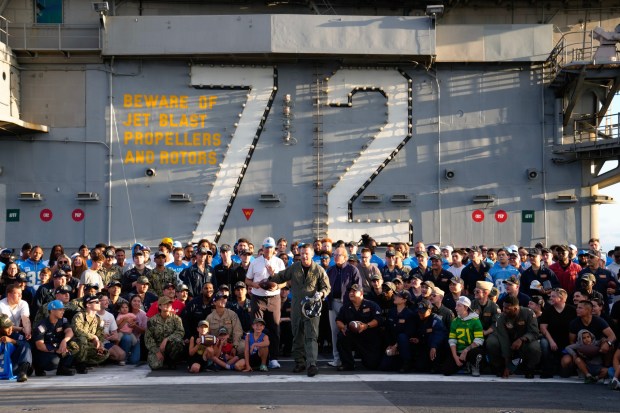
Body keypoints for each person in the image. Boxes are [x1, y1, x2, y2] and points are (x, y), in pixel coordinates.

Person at [269, 243, 331, 377]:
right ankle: (299, 362)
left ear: (312, 254)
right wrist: (271, 276)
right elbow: (281, 276)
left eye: (307, 253)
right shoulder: (294, 268)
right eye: (302, 253)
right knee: (297, 335)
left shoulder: (319, 270)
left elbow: (327, 287)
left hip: (312, 308)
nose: (304, 256)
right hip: (297, 307)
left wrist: (321, 294)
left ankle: (312, 364)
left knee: (311, 336)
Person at [245, 236, 286, 369]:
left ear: (275, 249)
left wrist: (277, 286)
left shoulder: (279, 262)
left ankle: (273, 358)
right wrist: (255, 285)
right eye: (266, 247)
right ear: (262, 248)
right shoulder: (255, 262)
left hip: (274, 298)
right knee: (256, 327)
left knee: (274, 328)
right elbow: (247, 280)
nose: (268, 250)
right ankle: (255, 357)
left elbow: (285, 282)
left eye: (271, 248)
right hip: (258, 297)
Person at [486, 295, 541, 379]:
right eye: (503, 307)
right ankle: (500, 367)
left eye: (507, 308)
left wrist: (522, 339)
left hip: (524, 341)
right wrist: (507, 364)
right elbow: (504, 340)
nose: (503, 310)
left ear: (515, 309)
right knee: (491, 342)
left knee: (534, 347)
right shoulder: (501, 317)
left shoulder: (528, 313)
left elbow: (534, 332)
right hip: (508, 340)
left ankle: (529, 368)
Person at [325, 246, 360, 368]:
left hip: (348, 305)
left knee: (350, 330)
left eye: (338, 255)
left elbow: (358, 288)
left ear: (345, 257)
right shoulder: (330, 270)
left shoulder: (352, 270)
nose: (335, 257)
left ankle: (350, 357)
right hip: (333, 303)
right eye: (334, 255)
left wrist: (354, 304)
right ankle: (337, 358)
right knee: (334, 331)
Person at [335, 284, 383, 371]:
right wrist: (343, 327)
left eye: (354, 291)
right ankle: (347, 363)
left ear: (361, 293)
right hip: (352, 336)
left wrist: (366, 326)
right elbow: (338, 320)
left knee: (372, 365)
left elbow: (378, 319)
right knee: (341, 337)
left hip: (368, 337)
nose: (351, 293)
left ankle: (366, 359)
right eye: (350, 291)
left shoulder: (371, 305)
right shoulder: (346, 306)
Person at [32, 300, 78, 376]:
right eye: (60, 309)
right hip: (45, 351)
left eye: (63, 309)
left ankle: (62, 369)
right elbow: (39, 345)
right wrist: (56, 351)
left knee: (73, 344)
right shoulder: (42, 325)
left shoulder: (63, 320)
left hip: (57, 346)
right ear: (52, 311)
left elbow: (70, 331)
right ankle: (39, 368)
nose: (63, 311)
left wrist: (64, 341)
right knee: (54, 361)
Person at [443, 296, 485, 376]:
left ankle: (474, 365)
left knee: (477, 353)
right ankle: (464, 365)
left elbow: (479, 340)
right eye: (456, 305)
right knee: (446, 370)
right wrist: (455, 357)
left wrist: (466, 350)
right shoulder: (455, 321)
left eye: (459, 306)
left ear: (466, 307)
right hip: (459, 352)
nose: (455, 308)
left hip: (470, 351)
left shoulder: (475, 321)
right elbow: (452, 340)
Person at [71, 295, 109, 372]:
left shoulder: (99, 319)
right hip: (76, 344)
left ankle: (85, 362)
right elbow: (77, 331)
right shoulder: (80, 316)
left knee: (105, 353)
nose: (99, 303)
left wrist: (100, 344)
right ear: (88, 305)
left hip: (89, 344)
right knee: (82, 339)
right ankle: (79, 364)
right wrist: (93, 337)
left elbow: (100, 334)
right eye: (97, 302)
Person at [145, 296, 185, 370]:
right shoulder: (152, 321)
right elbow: (148, 338)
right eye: (165, 304)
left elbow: (180, 332)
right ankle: (163, 360)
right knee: (155, 366)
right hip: (157, 347)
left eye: (169, 304)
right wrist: (157, 351)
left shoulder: (176, 319)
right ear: (159, 306)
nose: (168, 305)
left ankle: (172, 360)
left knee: (178, 342)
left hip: (170, 345)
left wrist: (167, 339)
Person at [411, 298, 448, 373]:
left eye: (422, 312)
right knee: (419, 367)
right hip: (424, 345)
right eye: (419, 312)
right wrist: (418, 339)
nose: (420, 314)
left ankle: (436, 365)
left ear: (430, 311)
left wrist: (434, 346)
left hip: (436, 347)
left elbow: (439, 334)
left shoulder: (435, 319)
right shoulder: (417, 318)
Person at [0, 313, 32, 381]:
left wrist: (12, 341)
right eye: (7, 327)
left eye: (10, 326)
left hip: (12, 366)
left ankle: (23, 372)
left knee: (25, 345)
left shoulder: (14, 335)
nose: (10, 329)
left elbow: (25, 344)